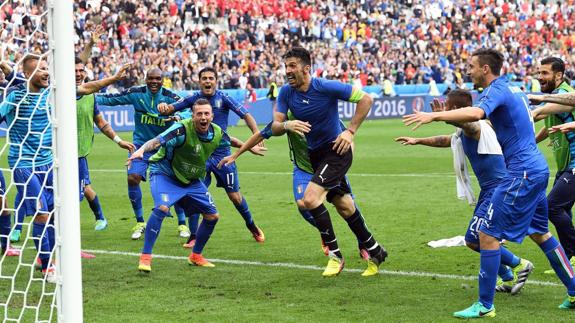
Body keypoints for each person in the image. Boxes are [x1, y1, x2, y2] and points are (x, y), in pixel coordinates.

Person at [403, 48, 575, 318]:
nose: (468, 70)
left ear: (485, 69)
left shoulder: (496, 90)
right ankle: (574, 290)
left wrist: (435, 116)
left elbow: (476, 114)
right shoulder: (514, 89)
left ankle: (485, 304)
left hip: (521, 173)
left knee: (486, 234)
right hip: (535, 169)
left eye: (471, 66)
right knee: (541, 233)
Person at [263, 46, 388, 277]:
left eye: (292, 66)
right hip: (316, 156)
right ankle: (375, 250)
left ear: (306, 68)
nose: (288, 71)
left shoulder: (325, 86)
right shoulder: (285, 93)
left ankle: (335, 255)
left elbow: (366, 99)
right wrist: (287, 125)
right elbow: (276, 125)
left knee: (309, 199)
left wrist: (350, 131)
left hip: (337, 151)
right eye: (286, 66)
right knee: (345, 206)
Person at [395, 89, 532, 294]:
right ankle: (505, 275)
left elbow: (468, 124)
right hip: (490, 189)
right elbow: (446, 140)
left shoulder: (475, 126)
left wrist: (444, 118)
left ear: (457, 110)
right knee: (486, 235)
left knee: (474, 239)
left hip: (498, 189)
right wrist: (418, 140)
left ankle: (519, 264)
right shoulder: (462, 132)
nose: (445, 109)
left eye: (448, 107)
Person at [131, 99, 265, 272]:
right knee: (162, 208)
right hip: (165, 173)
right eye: (199, 114)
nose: (203, 117)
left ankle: (196, 256)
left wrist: (249, 148)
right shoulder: (181, 129)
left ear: (212, 116)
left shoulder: (216, 132)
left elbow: (229, 139)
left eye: (206, 114)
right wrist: (142, 150)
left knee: (212, 216)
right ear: (193, 116)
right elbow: (157, 141)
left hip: (191, 179)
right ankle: (145, 258)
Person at [218, 110, 370, 260]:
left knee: (346, 206)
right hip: (304, 168)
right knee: (303, 203)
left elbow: (348, 140)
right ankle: (325, 232)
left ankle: (363, 243)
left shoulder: (323, 112)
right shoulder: (287, 118)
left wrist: (341, 164)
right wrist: (236, 154)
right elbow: (262, 134)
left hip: (328, 166)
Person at [158, 67, 265, 244]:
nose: (208, 81)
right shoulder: (194, 99)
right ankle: (193, 236)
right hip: (200, 156)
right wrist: (164, 107)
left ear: (216, 80)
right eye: (204, 78)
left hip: (223, 155)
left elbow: (245, 114)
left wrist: (256, 133)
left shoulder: (223, 98)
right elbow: (171, 108)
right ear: (199, 81)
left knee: (235, 197)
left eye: (211, 78)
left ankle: (251, 225)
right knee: (194, 194)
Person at [96, 67, 190, 240]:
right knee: (132, 177)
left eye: (158, 79)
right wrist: (86, 95)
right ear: (145, 79)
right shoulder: (136, 93)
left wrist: (174, 114)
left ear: (163, 80)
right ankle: (140, 222)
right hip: (141, 146)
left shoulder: (171, 97)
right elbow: (109, 99)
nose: (154, 82)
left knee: (177, 181)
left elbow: (188, 110)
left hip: (166, 145)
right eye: (151, 79)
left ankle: (182, 223)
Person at [0, 56, 55, 281]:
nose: (46, 72)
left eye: (47, 68)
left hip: (48, 163)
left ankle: (48, 259)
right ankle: (46, 266)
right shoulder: (14, 96)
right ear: (29, 74)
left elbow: (85, 86)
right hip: (23, 164)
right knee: (41, 213)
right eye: (41, 69)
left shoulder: (49, 93)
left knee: (51, 214)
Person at [74, 57, 136, 232]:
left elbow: (101, 123)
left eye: (81, 70)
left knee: (82, 188)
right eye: (74, 71)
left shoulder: (90, 97)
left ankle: (99, 217)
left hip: (78, 153)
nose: (78, 74)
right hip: (55, 153)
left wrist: (118, 140)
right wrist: (115, 78)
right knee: (78, 189)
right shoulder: (60, 91)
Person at [528, 57, 575, 274]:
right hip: (565, 163)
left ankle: (573, 256)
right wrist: (529, 143)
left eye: (545, 73)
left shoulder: (564, 94)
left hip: (574, 163)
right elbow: (546, 124)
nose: (540, 77)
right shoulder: (555, 99)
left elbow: (539, 113)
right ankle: (569, 259)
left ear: (558, 75)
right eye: (539, 73)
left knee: (553, 207)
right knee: (561, 209)